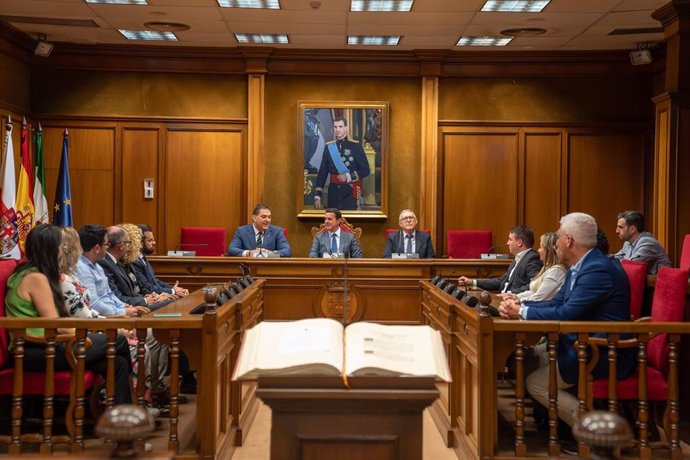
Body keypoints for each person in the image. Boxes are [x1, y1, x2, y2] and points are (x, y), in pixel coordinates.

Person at [498, 213, 636, 442]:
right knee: (527, 358)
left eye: (559, 237)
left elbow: (565, 314)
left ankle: (599, 432)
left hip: (603, 351)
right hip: (579, 343)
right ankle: (558, 428)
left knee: (535, 383)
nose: (555, 243)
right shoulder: (579, 265)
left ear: (569, 240)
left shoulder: (597, 269)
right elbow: (557, 303)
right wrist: (519, 305)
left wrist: (521, 312)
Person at [5, 224, 132, 405]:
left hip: (45, 346)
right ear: (49, 249)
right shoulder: (36, 278)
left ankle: (122, 415)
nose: (62, 251)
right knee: (117, 339)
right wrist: (87, 334)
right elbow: (55, 325)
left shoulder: (30, 273)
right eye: (59, 247)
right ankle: (130, 412)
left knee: (118, 362)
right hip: (36, 350)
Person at [75, 224, 139, 318]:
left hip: (113, 315)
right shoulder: (82, 269)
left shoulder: (97, 266)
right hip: (104, 321)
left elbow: (109, 294)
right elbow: (93, 304)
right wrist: (122, 312)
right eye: (106, 244)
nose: (108, 248)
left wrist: (123, 306)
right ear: (97, 248)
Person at [458, 225, 542, 294]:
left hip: (512, 303)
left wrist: (509, 294)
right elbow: (501, 281)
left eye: (510, 239)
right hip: (502, 299)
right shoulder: (519, 258)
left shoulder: (532, 259)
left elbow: (534, 285)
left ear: (519, 242)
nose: (507, 243)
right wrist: (472, 281)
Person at [313, 117, 370, 211]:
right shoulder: (329, 147)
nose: (338, 129)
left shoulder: (355, 146)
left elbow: (365, 170)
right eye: (335, 127)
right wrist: (318, 194)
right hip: (333, 193)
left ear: (346, 128)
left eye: (340, 126)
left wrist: (348, 176)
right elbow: (323, 171)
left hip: (350, 192)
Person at [98, 226, 161, 308]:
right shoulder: (105, 264)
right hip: (125, 310)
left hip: (133, 304)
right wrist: (145, 300)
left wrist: (149, 297)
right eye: (127, 243)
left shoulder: (117, 262)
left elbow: (134, 291)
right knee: (168, 304)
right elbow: (116, 297)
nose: (129, 247)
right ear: (121, 246)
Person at [499, 232, 566, 303]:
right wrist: (515, 296)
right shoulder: (547, 268)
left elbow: (538, 298)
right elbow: (533, 292)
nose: (538, 250)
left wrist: (516, 301)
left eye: (541, 247)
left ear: (549, 251)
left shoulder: (556, 272)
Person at [133, 224, 189, 297]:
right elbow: (147, 286)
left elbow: (154, 281)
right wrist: (173, 291)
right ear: (139, 242)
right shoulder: (134, 261)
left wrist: (173, 289)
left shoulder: (142, 257)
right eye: (150, 240)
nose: (154, 243)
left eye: (153, 240)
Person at [59, 226, 99, 318]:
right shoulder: (63, 280)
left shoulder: (69, 274)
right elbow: (84, 315)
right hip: (79, 329)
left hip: (86, 325)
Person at [614, 210, 671, 275]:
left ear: (632, 229)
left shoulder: (647, 243)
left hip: (657, 283)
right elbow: (615, 259)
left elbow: (629, 266)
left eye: (620, 227)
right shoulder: (628, 242)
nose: (617, 231)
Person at [227, 204, 292, 257]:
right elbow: (232, 249)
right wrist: (248, 253)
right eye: (264, 217)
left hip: (269, 268)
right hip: (249, 267)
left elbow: (287, 251)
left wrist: (270, 254)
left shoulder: (277, 231)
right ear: (254, 218)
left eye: (269, 217)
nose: (267, 220)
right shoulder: (242, 231)